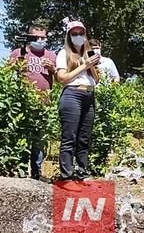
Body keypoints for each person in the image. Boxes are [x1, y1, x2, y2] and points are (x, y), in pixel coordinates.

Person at [55, 21, 100, 191]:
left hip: (89, 94)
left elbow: (96, 80)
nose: (78, 36)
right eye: (74, 33)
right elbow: (62, 78)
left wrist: (93, 65)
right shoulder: (63, 53)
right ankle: (66, 178)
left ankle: (83, 175)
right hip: (72, 95)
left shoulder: (88, 53)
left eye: (81, 33)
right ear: (68, 36)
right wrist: (85, 65)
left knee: (84, 138)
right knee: (69, 137)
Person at [9, 24, 56, 183]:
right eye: (36, 37)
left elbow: (59, 77)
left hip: (44, 104)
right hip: (23, 104)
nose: (40, 40)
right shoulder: (19, 52)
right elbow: (7, 73)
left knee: (39, 140)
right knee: (23, 139)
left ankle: (36, 174)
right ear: (29, 37)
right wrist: (17, 64)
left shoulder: (51, 55)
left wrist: (53, 69)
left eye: (43, 37)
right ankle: (22, 173)